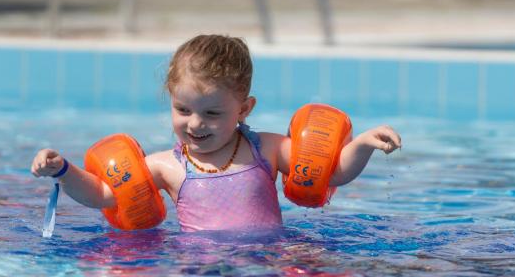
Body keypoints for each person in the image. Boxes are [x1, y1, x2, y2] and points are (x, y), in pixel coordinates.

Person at [31, 34, 401, 232]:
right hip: (197, 268)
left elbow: (332, 172)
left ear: (243, 109)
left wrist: (364, 143)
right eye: (182, 110)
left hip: (267, 261)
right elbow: (103, 195)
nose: (194, 123)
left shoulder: (265, 149)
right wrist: (63, 170)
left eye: (212, 113)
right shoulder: (166, 166)